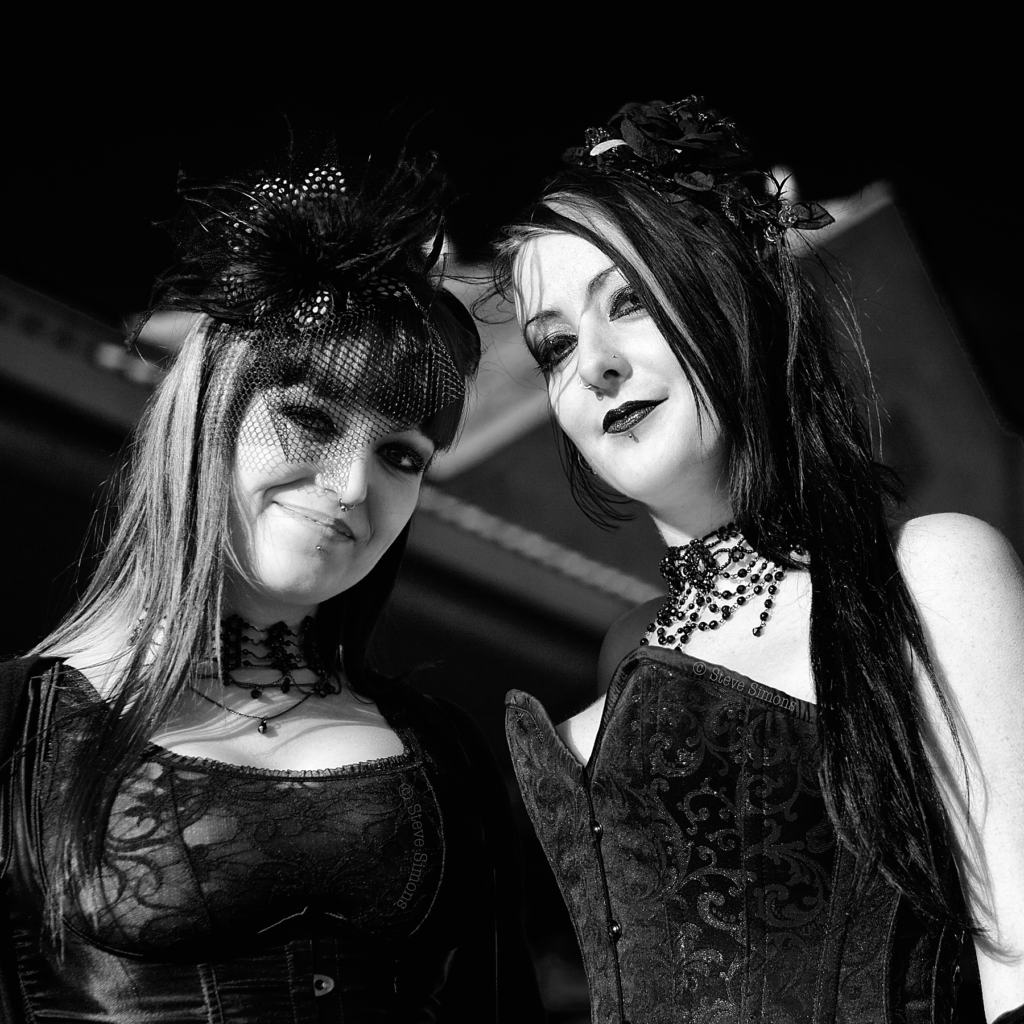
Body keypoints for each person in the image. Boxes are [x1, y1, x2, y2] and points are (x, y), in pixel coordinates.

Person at [497, 97, 1024, 1023]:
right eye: (553, 345)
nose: (595, 365)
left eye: (629, 302)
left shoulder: (932, 571)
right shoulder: (628, 655)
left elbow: (1018, 953)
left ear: (733, 300)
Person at [0, 149, 542, 1022]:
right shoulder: (15, 732)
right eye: (312, 419)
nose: (353, 486)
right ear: (210, 419)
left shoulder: (446, 747)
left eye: (400, 454)